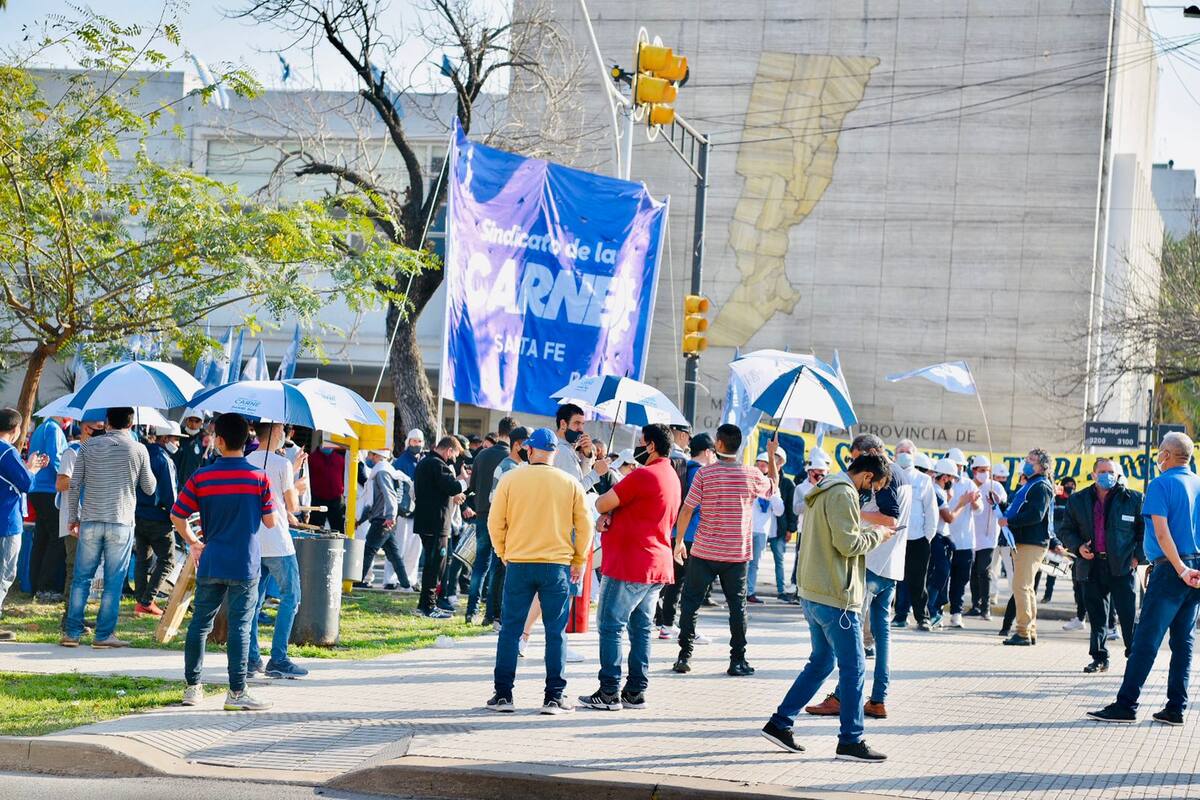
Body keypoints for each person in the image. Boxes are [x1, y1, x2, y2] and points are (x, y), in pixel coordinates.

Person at [760, 453, 895, 762]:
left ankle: (780, 723)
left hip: (814, 592)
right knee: (855, 668)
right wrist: (879, 534)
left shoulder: (824, 487)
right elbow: (848, 545)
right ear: (866, 477)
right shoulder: (843, 492)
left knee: (821, 662)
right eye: (875, 486)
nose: (873, 493)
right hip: (836, 596)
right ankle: (851, 739)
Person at [1088, 432, 1200, 725]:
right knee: (1183, 642)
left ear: (1166, 454)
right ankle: (1176, 708)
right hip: (1194, 570)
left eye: (1160, 452)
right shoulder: (1198, 484)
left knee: (1146, 640)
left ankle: (1126, 704)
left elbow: (1162, 533)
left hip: (1172, 570)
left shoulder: (1161, 484)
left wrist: (1178, 568)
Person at [486, 427, 594, 714]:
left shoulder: (511, 479)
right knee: (555, 632)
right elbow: (585, 526)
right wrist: (579, 560)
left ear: (530, 450)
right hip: (556, 566)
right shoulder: (570, 482)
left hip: (519, 562)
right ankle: (553, 697)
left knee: (510, 629)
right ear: (555, 453)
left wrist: (503, 552)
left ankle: (503, 695)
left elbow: (495, 522)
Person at [172, 413, 275, 711]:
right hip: (245, 563)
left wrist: (193, 541)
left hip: (212, 560)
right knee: (241, 627)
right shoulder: (259, 477)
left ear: (219, 441)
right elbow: (269, 521)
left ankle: (192, 688)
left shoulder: (202, 477)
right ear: (247, 441)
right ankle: (237, 693)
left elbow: (177, 514)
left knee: (200, 624)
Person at [579, 424, 680, 711]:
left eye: (641, 442)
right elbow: (633, 507)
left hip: (630, 563)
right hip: (655, 562)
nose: (637, 446)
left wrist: (602, 479)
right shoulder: (670, 474)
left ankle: (609, 690)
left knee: (611, 625)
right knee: (640, 629)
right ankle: (635, 690)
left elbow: (601, 502)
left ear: (650, 445)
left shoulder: (644, 474)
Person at [672, 424, 776, 677]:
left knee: (690, 604)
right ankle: (737, 660)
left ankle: (684, 656)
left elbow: (687, 509)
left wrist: (678, 542)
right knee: (737, 608)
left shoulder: (705, 475)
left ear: (718, 444)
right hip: (736, 554)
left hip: (704, 551)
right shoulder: (751, 474)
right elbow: (773, 487)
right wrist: (772, 456)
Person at [62, 407, 156, 649]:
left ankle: (71, 632)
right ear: (131, 423)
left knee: (81, 578)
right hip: (121, 520)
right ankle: (103, 635)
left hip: (91, 518)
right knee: (114, 582)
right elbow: (150, 488)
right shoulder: (138, 448)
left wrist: (73, 517)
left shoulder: (87, 446)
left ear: (106, 422)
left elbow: (74, 485)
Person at [1059, 458, 1143, 674]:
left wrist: (1137, 558)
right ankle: (1099, 658)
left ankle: (1134, 657)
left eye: (1111, 471)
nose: (1107, 475)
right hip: (1091, 566)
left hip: (1122, 566)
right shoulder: (1078, 500)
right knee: (1097, 617)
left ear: (1117, 474)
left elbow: (1145, 533)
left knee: (1127, 615)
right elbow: (1066, 530)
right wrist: (1078, 547)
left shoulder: (1133, 499)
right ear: (1094, 475)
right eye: (1103, 471)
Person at [245, 421, 307, 679]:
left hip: (253, 541)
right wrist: (296, 484)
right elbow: (292, 505)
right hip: (278, 541)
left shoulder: (247, 459)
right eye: (282, 430)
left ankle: (251, 658)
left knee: (253, 603)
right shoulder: (281, 464)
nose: (285, 435)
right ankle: (278, 657)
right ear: (273, 432)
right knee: (291, 596)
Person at [658, 433, 715, 641]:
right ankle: (687, 629)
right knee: (693, 585)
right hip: (693, 535)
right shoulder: (700, 473)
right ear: (708, 452)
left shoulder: (683, 469)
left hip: (676, 533)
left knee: (676, 582)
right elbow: (698, 505)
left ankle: (666, 625)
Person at [998, 448, 1056, 646]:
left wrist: (1009, 521)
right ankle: (1029, 630)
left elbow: (1035, 515)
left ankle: (1022, 632)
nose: (1027, 462)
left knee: (1020, 586)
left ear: (1042, 466)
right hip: (1028, 541)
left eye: (1032, 460)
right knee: (1026, 587)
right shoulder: (1033, 484)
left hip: (1032, 542)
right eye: (1027, 459)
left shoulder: (1040, 486)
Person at [0, 409, 49, 641]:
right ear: (16, 429)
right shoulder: (6, 452)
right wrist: (33, 468)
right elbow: (26, 483)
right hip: (6, 521)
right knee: (5, 573)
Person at [466, 416, 518, 623]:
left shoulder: (482, 455)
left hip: (481, 513)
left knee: (480, 564)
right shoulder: (511, 460)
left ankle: (471, 610)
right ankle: (491, 612)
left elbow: (473, 485)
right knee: (498, 566)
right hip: (500, 516)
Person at [56, 416, 103, 632]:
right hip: (73, 521)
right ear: (86, 428)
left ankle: (78, 615)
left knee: (87, 573)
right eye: (98, 430)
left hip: (93, 519)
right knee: (74, 570)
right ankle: (69, 619)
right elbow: (61, 483)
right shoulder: (72, 452)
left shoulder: (97, 453)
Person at [413, 435, 467, 618]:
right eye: (454, 455)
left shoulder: (426, 462)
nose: (454, 459)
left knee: (433, 563)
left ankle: (425, 605)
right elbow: (452, 487)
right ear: (449, 450)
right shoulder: (437, 464)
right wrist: (465, 481)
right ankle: (429, 606)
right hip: (435, 523)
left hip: (428, 522)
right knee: (435, 565)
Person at [132, 422, 180, 617]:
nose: (177, 443)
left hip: (138, 514)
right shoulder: (163, 459)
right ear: (165, 438)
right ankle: (147, 600)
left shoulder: (141, 453)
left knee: (143, 559)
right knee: (168, 560)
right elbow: (170, 495)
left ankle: (140, 599)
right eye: (176, 439)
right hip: (158, 517)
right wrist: (177, 515)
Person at [891, 449, 938, 631]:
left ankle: (922, 617)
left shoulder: (923, 479)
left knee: (918, 581)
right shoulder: (891, 477)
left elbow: (931, 510)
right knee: (896, 579)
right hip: (895, 537)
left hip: (918, 538)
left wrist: (928, 536)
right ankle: (900, 615)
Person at [27, 414, 69, 602]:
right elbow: (56, 459)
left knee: (42, 539)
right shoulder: (54, 429)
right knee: (57, 539)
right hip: (50, 489)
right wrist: (67, 477)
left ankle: (35, 584)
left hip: (37, 489)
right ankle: (46, 586)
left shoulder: (40, 429)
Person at [358, 448, 412, 591]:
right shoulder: (384, 470)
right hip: (385, 518)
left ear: (377, 456)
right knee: (393, 554)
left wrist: (390, 516)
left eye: (371, 453)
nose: (369, 456)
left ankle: (358, 581)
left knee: (368, 550)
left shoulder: (381, 472)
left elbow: (389, 495)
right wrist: (362, 519)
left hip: (383, 519)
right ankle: (406, 584)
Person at [945, 457, 982, 629]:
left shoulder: (969, 484)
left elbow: (979, 509)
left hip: (965, 541)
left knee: (960, 580)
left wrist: (973, 500)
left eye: (960, 466)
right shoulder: (940, 483)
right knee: (941, 579)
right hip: (945, 538)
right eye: (955, 465)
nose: (957, 468)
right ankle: (936, 610)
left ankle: (956, 613)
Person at [967, 456, 1005, 621]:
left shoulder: (995, 485)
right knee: (973, 571)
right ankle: (975, 605)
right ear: (974, 471)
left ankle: (986, 607)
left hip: (989, 535)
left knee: (984, 570)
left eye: (987, 470)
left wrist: (996, 499)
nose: (984, 473)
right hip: (970, 534)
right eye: (981, 470)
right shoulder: (969, 485)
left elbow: (1003, 502)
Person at [747, 452, 785, 604]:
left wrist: (773, 494)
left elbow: (779, 511)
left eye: (765, 464)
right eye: (759, 463)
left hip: (762, 530)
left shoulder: (772, 485)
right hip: (747, 528)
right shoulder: (749, 480)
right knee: (742, 563)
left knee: (755, 564)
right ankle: (739, 591)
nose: (761, 466)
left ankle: (749, 591)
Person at [791, 450, 831, 591]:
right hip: (804, 529)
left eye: (823, 472)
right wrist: (812, 499)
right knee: (802, 559)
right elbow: (796, 509)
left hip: (823, 530)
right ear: (810, 472)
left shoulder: (829, 488)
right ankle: (798, 588)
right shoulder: (801, 489)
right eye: (817, 471)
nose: (820, 475)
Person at [769, 449, 798, 602]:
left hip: (779, 528)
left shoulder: (787, 483)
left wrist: (790, 529)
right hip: (761, 527)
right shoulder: (761, 478)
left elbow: (791, 508)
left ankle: (781, 590)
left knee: (779, 559)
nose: (773, 461)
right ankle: (748, 590)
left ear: (782, 462)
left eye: (776, 459)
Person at [308, 441, 346, 533]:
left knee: (338, 529)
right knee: (315, 528)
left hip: (336, 499)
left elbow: (344, 476)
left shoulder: (340, 459)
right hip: (318, 498)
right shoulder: (312, 458)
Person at [173, 409, 209, 489]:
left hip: (194, 484)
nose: (193, 424)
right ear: (186, 420)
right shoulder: (178, 435)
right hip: (176, 483)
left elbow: (205, 463)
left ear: (201, 423)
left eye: (197, 421)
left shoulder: (204, 438)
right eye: (191, 420)